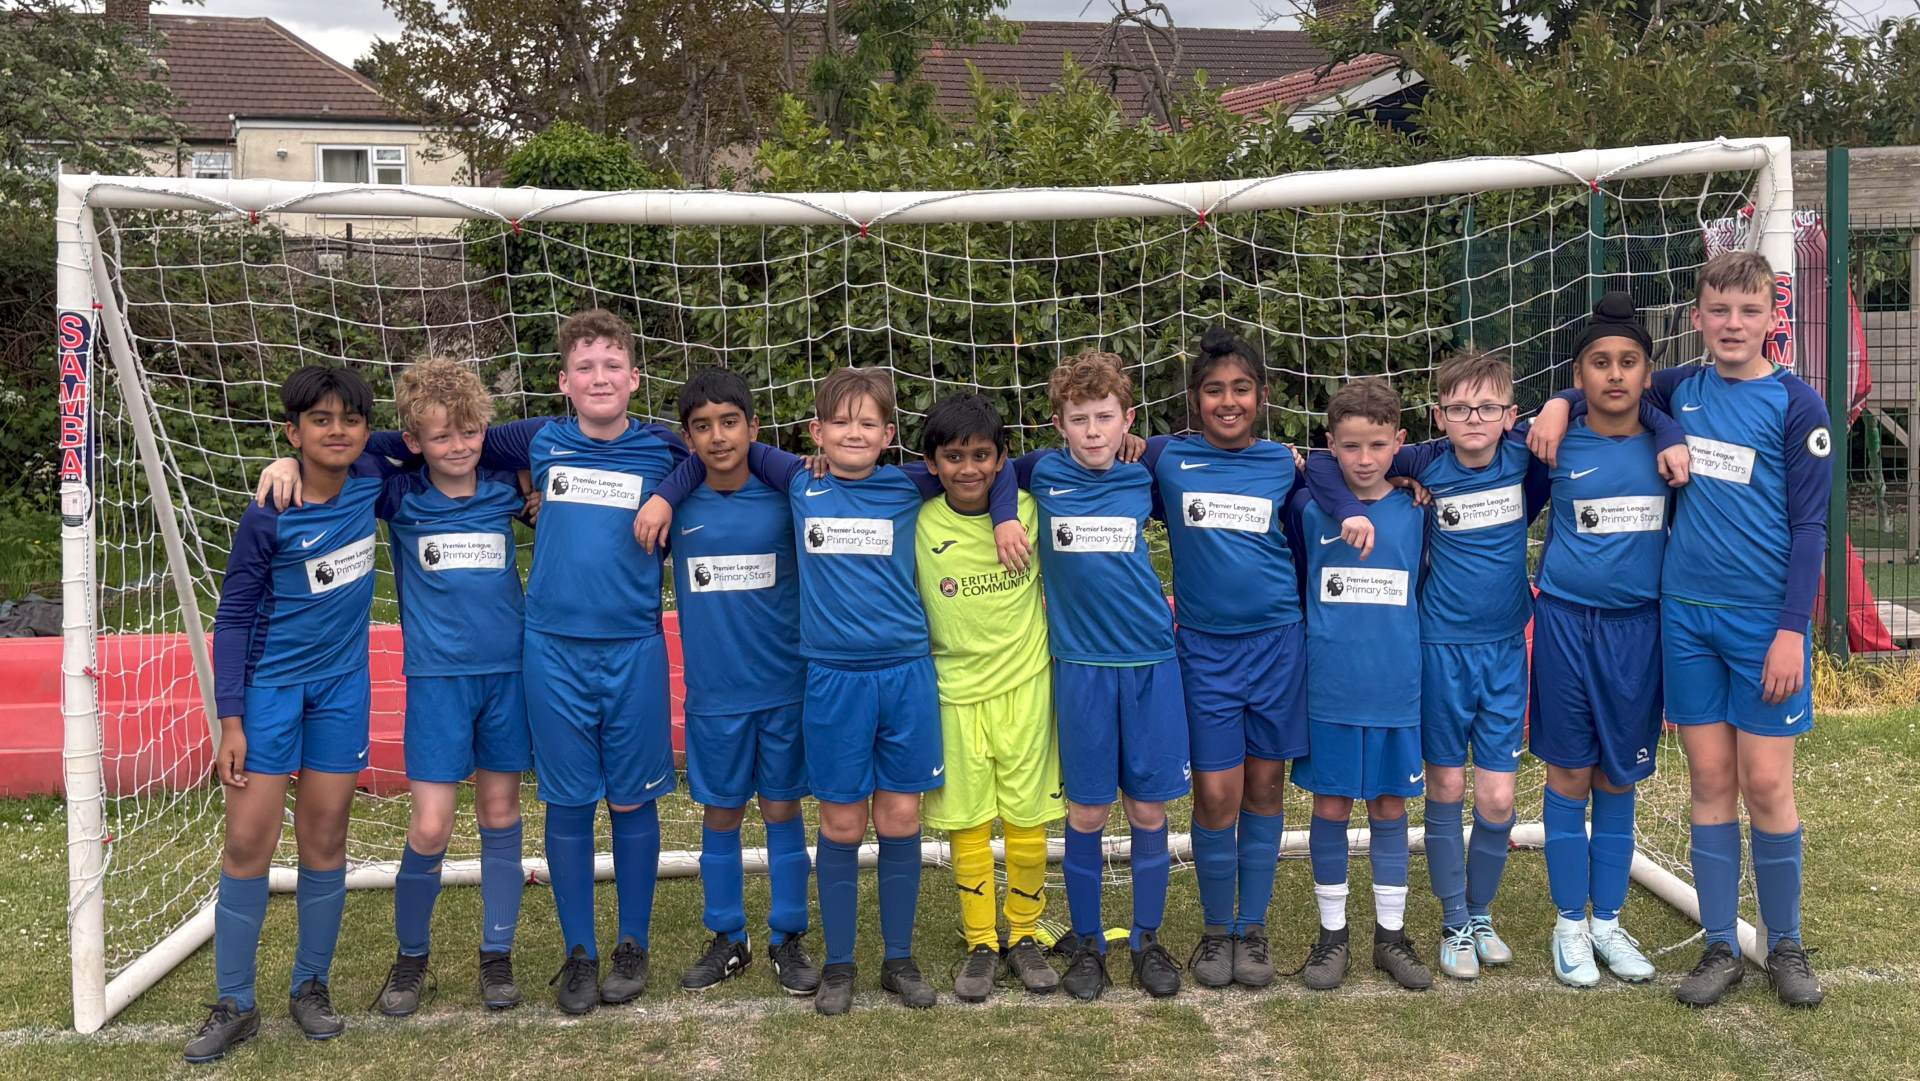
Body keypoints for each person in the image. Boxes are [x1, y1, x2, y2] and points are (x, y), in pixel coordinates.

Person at [635, 366, 1025, 1016]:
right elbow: (722, 446)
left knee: (899, 819)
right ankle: (839, 961)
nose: (853, 432)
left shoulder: (909, 485)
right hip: (831, 679)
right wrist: (666, 494)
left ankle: (898, 959)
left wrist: (1006, 515)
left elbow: (992, 466)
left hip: (905, 675)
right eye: (840, 422)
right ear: (816, 432)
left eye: (868, 422)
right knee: (841, 822)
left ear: (889, 435)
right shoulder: (798, 481)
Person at [1530, 252, 1831, 1008]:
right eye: (1718, 310)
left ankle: (1785, 943)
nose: (1733, 324)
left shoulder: (1798, 406)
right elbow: (1610, 383)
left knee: (1768, 784)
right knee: (1710, 782)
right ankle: (1720, 945)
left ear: (1772, 319)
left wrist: (1792, 630)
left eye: (1748, 311)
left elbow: (1810, 528)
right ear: (1697, 319)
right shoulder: (1678, 389)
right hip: (1685, 620)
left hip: (1764, 626)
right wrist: (1558, 404)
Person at [189, 366, 387, 1062]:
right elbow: (234, 616)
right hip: (269, 693)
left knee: (325, 835)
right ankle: (234, 1001)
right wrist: (231, 720)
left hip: (342, 689)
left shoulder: (371, 478)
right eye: (319, 420)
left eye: (350, 420)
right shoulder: (268, 511)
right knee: (249, 842)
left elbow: (423, 441)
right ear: (292, 431)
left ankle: (311, 986)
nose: (338, 431)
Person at [1008, 351, 1189, 1001]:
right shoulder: (1037, 472)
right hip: (1080, 667)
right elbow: (985, 475)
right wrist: (1003, 515)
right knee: (1086, 811)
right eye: (1079, 418)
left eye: (1105, 417)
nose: (1092, 431)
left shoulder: (1146, 469)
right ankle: (1087, 943)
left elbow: (1207, 465)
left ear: (1127, 420)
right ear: (1058, 423)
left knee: (1147, 807)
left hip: (1150, 661)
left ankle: (1145, 939)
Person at [1138, 327, 1306, 990]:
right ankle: (1214, 930)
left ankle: (1251, 929)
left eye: (1240, 388)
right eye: (1214, 390)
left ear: (1261, 396)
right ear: (1194, 399)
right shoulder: (1164, 458)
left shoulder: (1286, 464)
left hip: (1277, 644)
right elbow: (1087, 465)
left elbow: (1367, 467)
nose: (1227, 401)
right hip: (1204, 650)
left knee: (1264, 787)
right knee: (1215, 792)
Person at [1529, 293, 1675, 988]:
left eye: (1628, 361)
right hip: (1565, 626)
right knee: (1569, 774)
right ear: (1578, 374)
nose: (1615, 374)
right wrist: (1555, 405)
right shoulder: (1552, 441)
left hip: (1638, 630)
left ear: (1648, 373)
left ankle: (1608, 922)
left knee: (1619, 776)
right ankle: (1569, 925)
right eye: (1599, 362)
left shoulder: (1670, 445)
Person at [667, 369, 818, 996]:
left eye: (730, 422)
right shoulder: (674, 504)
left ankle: (788, 935)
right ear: (688, 439)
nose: (718, 436)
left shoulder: (787, 495)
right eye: (703, 426)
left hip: (783, 688)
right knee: (722, 812)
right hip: (714, 696)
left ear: (753, 428)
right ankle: (728, 935)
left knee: (781, 808)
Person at [914, 392, 1063, 1002]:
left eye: (982, 455)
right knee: (969, 823)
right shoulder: (918, 518)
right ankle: (980, 940)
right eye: (954, 457)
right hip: (954, 695)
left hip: (1026, 688)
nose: (969, 468)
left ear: (1002, 459)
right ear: (931, 464)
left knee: (1027, 820)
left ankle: (1024, 932)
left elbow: (1064, 461)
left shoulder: (1029, 509)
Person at [1285, 377, 1431, 992]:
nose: (1365, 459)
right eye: (1350, 446)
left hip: (1396, 686)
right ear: (1331, 445)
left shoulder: (1418, 506)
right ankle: (1332, 936)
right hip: (1331, 687)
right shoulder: (1306, 508)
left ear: (1399, 442)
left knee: (1390, 807)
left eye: (1377, 445)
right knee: (1331, 806)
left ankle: (1390, 937)